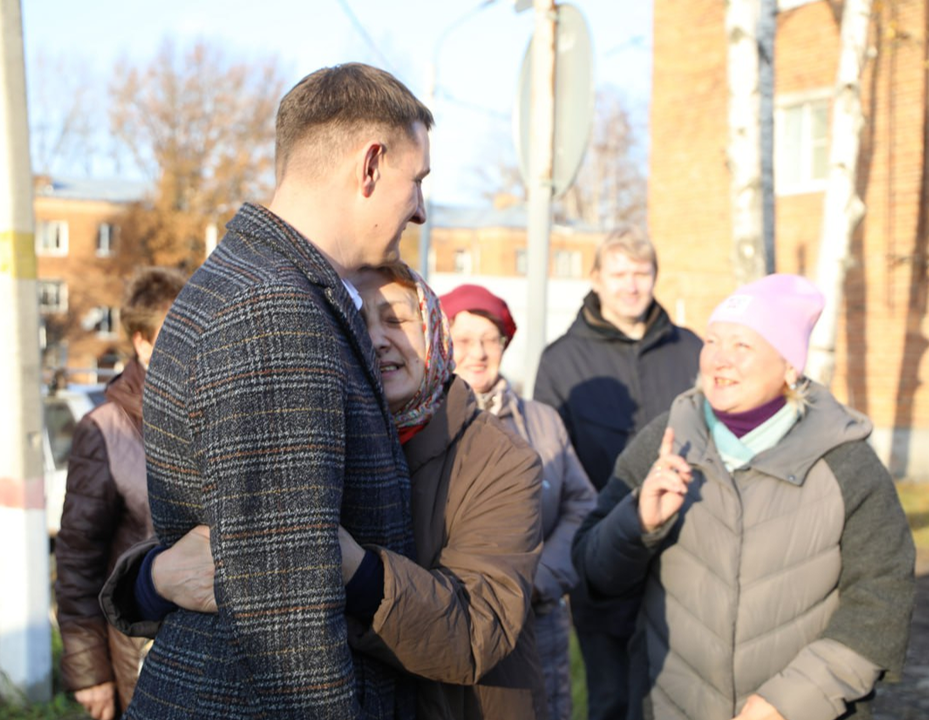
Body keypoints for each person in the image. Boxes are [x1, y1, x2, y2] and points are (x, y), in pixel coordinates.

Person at [124, 63, 433, 720]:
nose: (422, 209)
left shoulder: (250, 281)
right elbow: (284, 613)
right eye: (418, 181)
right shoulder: (273, 308)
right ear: (370, 165)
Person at [102, 263, 547, 719]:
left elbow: (478, 632)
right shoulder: (312, 430)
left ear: (434, 327)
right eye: (355, 323)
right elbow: (204, 552)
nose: (376, 339)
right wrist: (153, 579)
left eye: (396, 319)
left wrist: (347, 568)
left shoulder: (500, 459)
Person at [571, 274, 916, 720]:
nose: (719, 359)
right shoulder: (668, 439)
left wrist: (787, 703)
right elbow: (591, 575)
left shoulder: (846, 462)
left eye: (742, 346)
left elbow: (882, 603)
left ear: (790, 366)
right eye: (712, 340)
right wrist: (638, 523)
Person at [533, 227, 702, 720]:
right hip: (602, 554)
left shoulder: (692, 350)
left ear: (655, 277)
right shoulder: (562, 361)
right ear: (597, 279)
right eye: (620, 273)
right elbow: (551, 467)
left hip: (686, 551)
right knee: (610, 699)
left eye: (641, 273)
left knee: (681, 698)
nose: (631, 285)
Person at [439, 283, 596, 720]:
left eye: (491, 340)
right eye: (465, 340)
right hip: (455, 618)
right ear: (443, 343)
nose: (479, 353)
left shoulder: (542, 421)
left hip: (537, 617)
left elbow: (582, 503)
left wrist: (541, 577)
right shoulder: (426, 423)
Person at [54, 267, 185, 720]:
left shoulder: (207, 409)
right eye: (174, 332)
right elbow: (77, 559)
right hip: (139, 658)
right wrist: (90, 674)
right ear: (142, 343)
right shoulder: (104, 430)